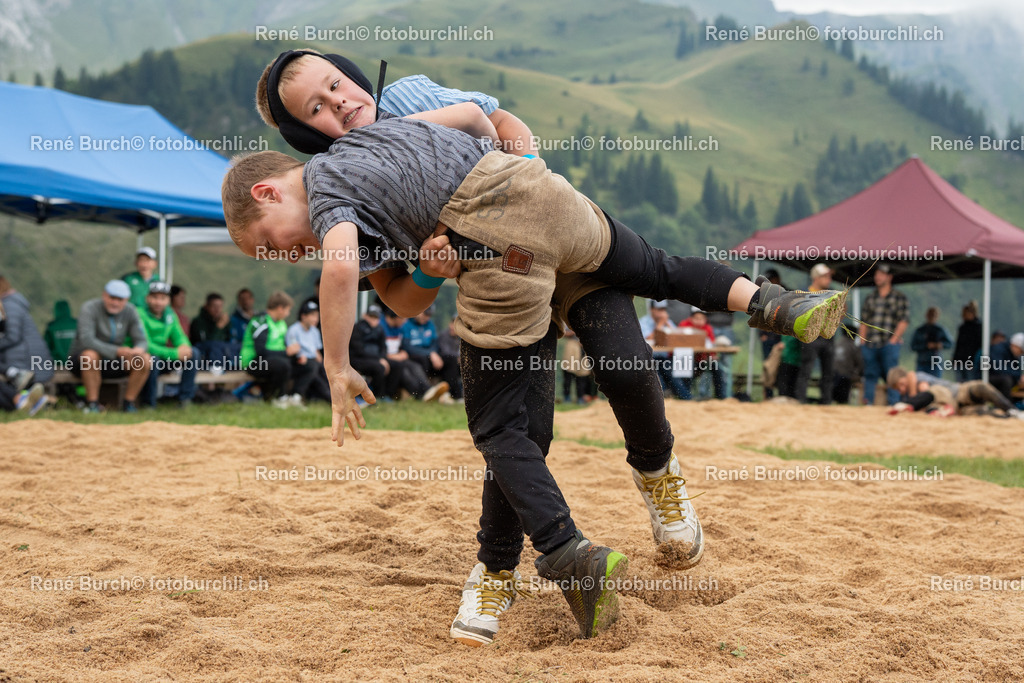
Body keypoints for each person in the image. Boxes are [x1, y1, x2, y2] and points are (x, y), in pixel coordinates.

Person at [240, 49, 846, 644]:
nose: (339, 104)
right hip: (510, 260)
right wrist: (430, 267)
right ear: (307, 138)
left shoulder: (399, 110)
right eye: (316, 111)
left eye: (336, 85)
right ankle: (498, 568)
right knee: (531, 424)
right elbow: (400, 297)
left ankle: (642, 487)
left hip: (536, 241)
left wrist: (518, 177)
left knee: (616, 374)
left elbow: (497, 122)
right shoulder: (344, 186)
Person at [69, 280, 151, 413]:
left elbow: (142, 340)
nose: (115, 303)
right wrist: (117, 351)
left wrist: (137, 350)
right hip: (82, 361)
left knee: (144, 359)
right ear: (104, 295)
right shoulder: (89, 308)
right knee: (90, 356)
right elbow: (87, 340)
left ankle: (128, 404)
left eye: (120, 299)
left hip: (113, 362)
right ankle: (92, 404)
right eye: (112, 298)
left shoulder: (130, 310)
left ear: (126, 300)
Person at [138, 281, 199, 408]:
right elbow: (144, 344)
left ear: (168, 300)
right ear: (147, 298)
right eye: (155, 297)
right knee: (152, 359)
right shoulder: (139, 313)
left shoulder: (170, 314)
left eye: (163, 298)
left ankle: (185, 399)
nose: (158, 302)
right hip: (144, 358)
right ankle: (148, 403)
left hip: (164, 357)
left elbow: (179, 336)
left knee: (193, 353)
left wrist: (184, 347)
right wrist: (175, 353)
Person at [859, 263, 908, 405]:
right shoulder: (870, 297)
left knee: (892, 376)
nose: (878, 277)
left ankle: (894, 404)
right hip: (870, 344)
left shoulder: (899, 297)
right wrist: (862, 341)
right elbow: (863, 321)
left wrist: (893, 340)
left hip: (889, 344)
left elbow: (903, 321)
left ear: (889, 277)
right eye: (876, 274)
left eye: (882, 274)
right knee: (870, 375)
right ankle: (868, 403)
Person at [886, 367, 1020, 417]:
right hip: (957, 408)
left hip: (959, 392)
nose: (901, 389)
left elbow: (913, 376)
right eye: (898, 389)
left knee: (981, 387)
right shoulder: (913, 395)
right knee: (983, 413)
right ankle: (1009, 415)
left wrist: (912, 395)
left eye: (901, 384)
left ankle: (1012, 410)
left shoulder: (916, 379)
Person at [240, 291, 299, 400]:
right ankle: (279, 397)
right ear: (280, 308)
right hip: (253, 362)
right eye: (288, 310)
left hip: (274, 359)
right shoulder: (261, 321)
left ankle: (297, 396)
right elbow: (261, 351)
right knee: (282, 365)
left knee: (304, 363)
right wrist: (286, 352)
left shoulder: (281, 323)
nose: (288, 314)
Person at [381, 307, 449, 401]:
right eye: (403, 318)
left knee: (415, 367)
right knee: (405, 372)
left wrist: (400, 353)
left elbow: (400, 346)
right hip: (390, 359)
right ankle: (426, 392)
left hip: (400, 358)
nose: (405, 321)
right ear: (395, 317)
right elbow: (380, 349)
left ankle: (426, 392)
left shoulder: (398, 327)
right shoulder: (382, 327)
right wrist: (393, 356)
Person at [0, 275, 53, 384]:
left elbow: (12, 336)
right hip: (30, 362)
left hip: (28, 363)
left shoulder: (9, 306)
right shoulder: (13, 303)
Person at [795, 264, 835, 405]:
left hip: (827, 336)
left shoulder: (832, 295)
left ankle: (826, 401)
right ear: (816, 278)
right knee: (806, 369)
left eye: (829, 276)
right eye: (825, 276)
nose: (829, 279)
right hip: (810, 336)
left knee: (828, 371)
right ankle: (801, 400)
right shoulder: (805, 294)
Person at [402, 305, 461, 401]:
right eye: (425, 314)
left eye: (429, 315)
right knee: (423, 360)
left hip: (431, 357)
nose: (426, 317)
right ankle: (428, 391)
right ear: (418, 311)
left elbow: (435, 344)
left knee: (450, 359)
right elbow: (407, 347)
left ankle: (454, 395)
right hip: (415, 358)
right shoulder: (407, 325)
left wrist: (433, 353)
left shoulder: (430, 325)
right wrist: (429, 353)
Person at [286, 300, 331, 403]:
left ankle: (333, 397)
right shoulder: (294, 330)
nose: (316, 319)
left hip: (313, 362)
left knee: (323, 370)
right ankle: (297, 395)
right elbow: (293, 350)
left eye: (317, 316)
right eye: (313, 315)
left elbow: (317, 352)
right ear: (303, 316)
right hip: (300, 362)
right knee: (313, 368)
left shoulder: (315, 331)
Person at [679, 307, 724, 399]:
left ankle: (720, 397)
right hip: (687, 360)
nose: (699, 321)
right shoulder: (684, 325)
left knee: (716, 368)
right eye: (696, 318)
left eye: (701, 318)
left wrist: (713, 355)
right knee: (687, 367)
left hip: (703, 360)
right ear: (691, 318)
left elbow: (711, 346)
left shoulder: (708, 328)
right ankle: (687, 396)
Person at [349, 304, 390, 399]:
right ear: (365, 316)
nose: (373, 320)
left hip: (376, 358)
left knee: (397, 365)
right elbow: (359, 350)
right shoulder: (357, 328)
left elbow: (383, 347)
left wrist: (382, 358)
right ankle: (377, 395)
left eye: (376, 317)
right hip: (358, 359)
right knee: (379, 368)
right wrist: (379, 359)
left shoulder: (380, 329)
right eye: (371, 316)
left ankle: (389, 393)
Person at [190, 293, 234, 369]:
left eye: (220, 306)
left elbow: (230, 340)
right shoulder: (198, 322)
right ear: (206, 306)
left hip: (223, 359)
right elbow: (207, 344)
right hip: (203, 361)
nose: (217, 310)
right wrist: (219, 327)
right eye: (214, 306)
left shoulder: (225, 321)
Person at [759, 269, 784, 399]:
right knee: (768, 366)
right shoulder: (765, 293)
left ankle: (779, 394)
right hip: (768, 336)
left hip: (780, 336)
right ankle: (768, 395)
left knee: (780, 366)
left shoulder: (785, 292)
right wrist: (761, 334)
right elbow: (759, 313)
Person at [910, 306, 953, 377]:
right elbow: (913, 346)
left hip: (936, 362)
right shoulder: (920, 330)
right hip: (922, 362)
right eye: (931, 315)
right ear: (926, 315)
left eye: (934, 315)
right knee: (921, 381)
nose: (932, 317)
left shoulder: (940, 330)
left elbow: (950, 343)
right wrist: (926, 346)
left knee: (936, 383)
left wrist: (940, 345)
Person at [560, 328, 595, 404]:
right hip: (572, 345)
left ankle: (580, 398)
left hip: (585, 347)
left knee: (582, 376)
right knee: (568, 374)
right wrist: (574, 331)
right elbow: (563, 332)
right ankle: (567, 397)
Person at [988, 332, 1024, 401]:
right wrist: (1018, 376)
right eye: (1021, 351)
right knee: (1007, 380)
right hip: (988, 377)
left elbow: (1015, 370)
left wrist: (1020, 378)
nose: (1020, 354)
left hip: (1001, 378)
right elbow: (998, 368)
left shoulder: (1013, 355)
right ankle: (1006, 404)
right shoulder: (998, 349)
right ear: (1015, 345)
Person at [951, 302, 982, 381]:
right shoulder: (962, 327)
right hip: (960, 361)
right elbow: (958, 345)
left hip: (971, 362)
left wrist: (973, 361)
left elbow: (979, 346)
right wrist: (955, 359)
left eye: (965, 314)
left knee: (970, 383)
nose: (963, 315)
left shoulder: (978, 327)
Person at [831, 329, 864, 405]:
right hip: (845, 377)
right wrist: (860, 374)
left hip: (833, 375)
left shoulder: (836, 343)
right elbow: (860, 364)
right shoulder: (853, 346)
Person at [44, 300, 77, 364]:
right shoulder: (76, 324)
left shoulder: (51, 326)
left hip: (57, 363)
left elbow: (46, 347)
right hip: (76, 363)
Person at [229, 288, 257, 354]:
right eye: (242, 299)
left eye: (248, 298)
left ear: (252, 300)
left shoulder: (259, 318)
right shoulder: (233, 319)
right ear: (238, 301)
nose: (246, 301)